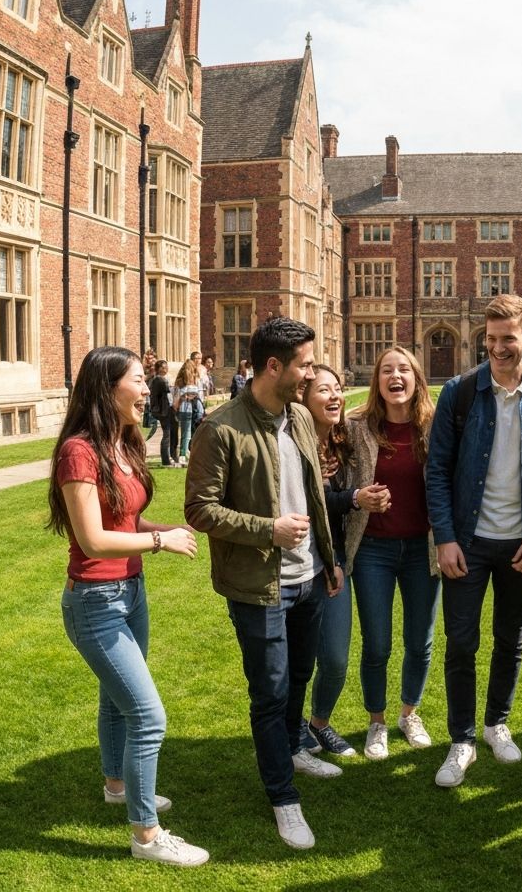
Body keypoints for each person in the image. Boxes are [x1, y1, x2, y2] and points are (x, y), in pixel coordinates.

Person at [185, 317, 342, 852]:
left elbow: (314, 494)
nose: (312, 373)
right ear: (273, 366)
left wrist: (329, 556)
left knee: (300, 673)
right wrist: (267, 531)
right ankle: (283, 797)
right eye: (304, 364)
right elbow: (200, 509)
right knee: (270, 692)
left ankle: (294, 749)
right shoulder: (221, 427)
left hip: (309, 577)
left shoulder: (298, 415)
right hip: (258, 585)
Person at [48, 346, 208, 867]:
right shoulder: (79, 451)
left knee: (117, 702)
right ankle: (146, 836)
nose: (147, 390)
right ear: (107, 386)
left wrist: (160, 530)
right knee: (148, 715)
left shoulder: (123, 442)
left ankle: (117, 785)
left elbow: (123, 523)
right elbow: (93, 540)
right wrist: (161, 546)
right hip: (95, 601)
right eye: (138, 381)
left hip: (130, 593)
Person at [426, 295, 522, 788]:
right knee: (461, 643)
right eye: (490, 340)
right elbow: (438, 471)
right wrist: (445, 538)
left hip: (520, 545)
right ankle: (462, 740)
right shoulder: (460, 392)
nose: (497, 348)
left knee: (510, 641)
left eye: (507, 339)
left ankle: (496, 724)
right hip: (468, 542)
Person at [345, 346, 438, 761]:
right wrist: (358, 497)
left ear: (416, 378)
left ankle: (409, 713)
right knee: (377, 643)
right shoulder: (356, 427)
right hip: (373, 550)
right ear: (377, 380)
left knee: (420, 641)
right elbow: (332, 481)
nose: (395, 376)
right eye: (387, 370)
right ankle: (377, 722)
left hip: (424, 548)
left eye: (403, 369)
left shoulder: (436, 426)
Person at [300, 365, 390, 758]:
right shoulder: (288, 442)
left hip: (332, 557)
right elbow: (308, 503)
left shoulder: (342, 441)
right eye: (324, 390)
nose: (335, 396)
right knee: (292, 661)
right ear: (302, 397)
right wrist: (354, 497)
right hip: (294, 560)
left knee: (335, 657)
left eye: (338, 388)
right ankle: (290, 732)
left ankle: (318, 723)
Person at [172, 359, 202, 464]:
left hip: (186, 409)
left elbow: (174, 399)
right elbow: (200, 396)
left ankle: (187, 453)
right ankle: (183, 455)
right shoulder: (193, 382)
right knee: (188, 433)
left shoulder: (180, 382)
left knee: (188, 433)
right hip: (189, 409)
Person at [147, 359, 174, 467]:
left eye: (166, 367)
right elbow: (167, 394)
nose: (165, 369)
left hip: (163, 410)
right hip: (163, 411)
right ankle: (166, 460)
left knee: (167, 434)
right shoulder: (160, 380)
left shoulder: (158, 380)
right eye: (163, 367)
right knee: (167, 434)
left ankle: (166, 458)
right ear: (158, 369)